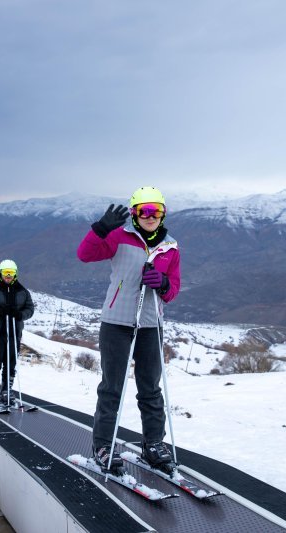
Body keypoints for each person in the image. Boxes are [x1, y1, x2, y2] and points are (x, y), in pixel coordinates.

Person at [77, 186, 181, 475]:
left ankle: (153, 444)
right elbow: (85, 254)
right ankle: (103, 445)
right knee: (112, 388)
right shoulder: (119, 236)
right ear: (134, 213)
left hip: (151, 325)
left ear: (163, 214)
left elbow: (173, 290)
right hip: (117, 323)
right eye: (143, 211)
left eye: (156, 211)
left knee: (150, 389)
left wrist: (162, 283)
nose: (150, 216)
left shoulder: (170, 247)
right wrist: (100, 230)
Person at [0, 260, 35, 403]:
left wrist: (20, 314)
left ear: (16, 274)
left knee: (10, 363)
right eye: (5, 273)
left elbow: (30, 309)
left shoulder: (22, 292)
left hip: (14, 333)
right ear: (0, 273)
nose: (8, 276)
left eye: (11, 273)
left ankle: (7, 390)